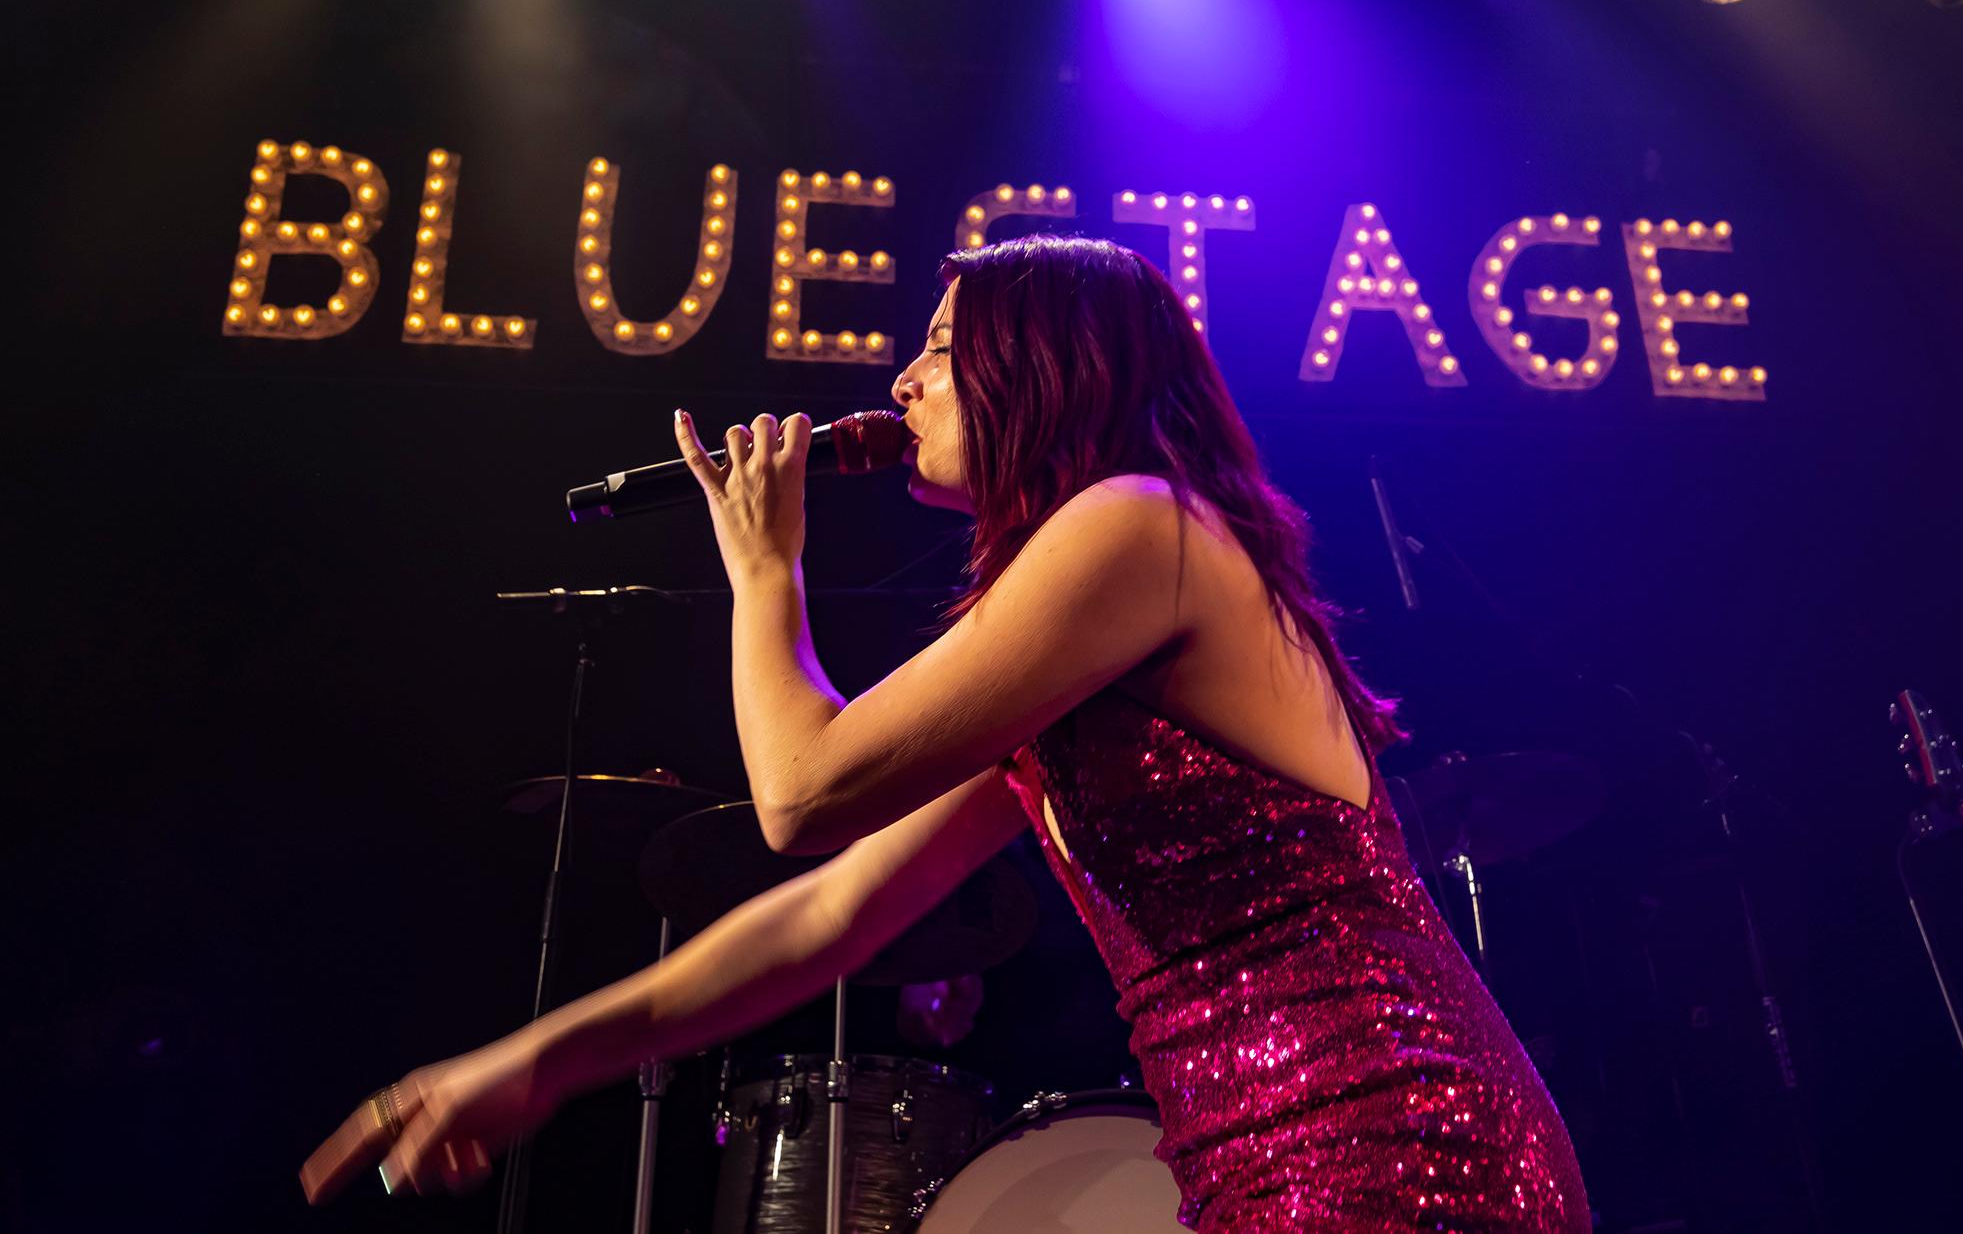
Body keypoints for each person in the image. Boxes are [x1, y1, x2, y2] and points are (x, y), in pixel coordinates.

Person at [301, 235, 1590, 1231]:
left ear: (1046, 367)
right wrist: (536, 1061)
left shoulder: (1137, 525)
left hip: (1390, 1140)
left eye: (937, 347)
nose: (900, 382)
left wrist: (767, 574)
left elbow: (800, 796)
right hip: (1275, 1161)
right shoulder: (1088, 619)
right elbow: (827, 914)